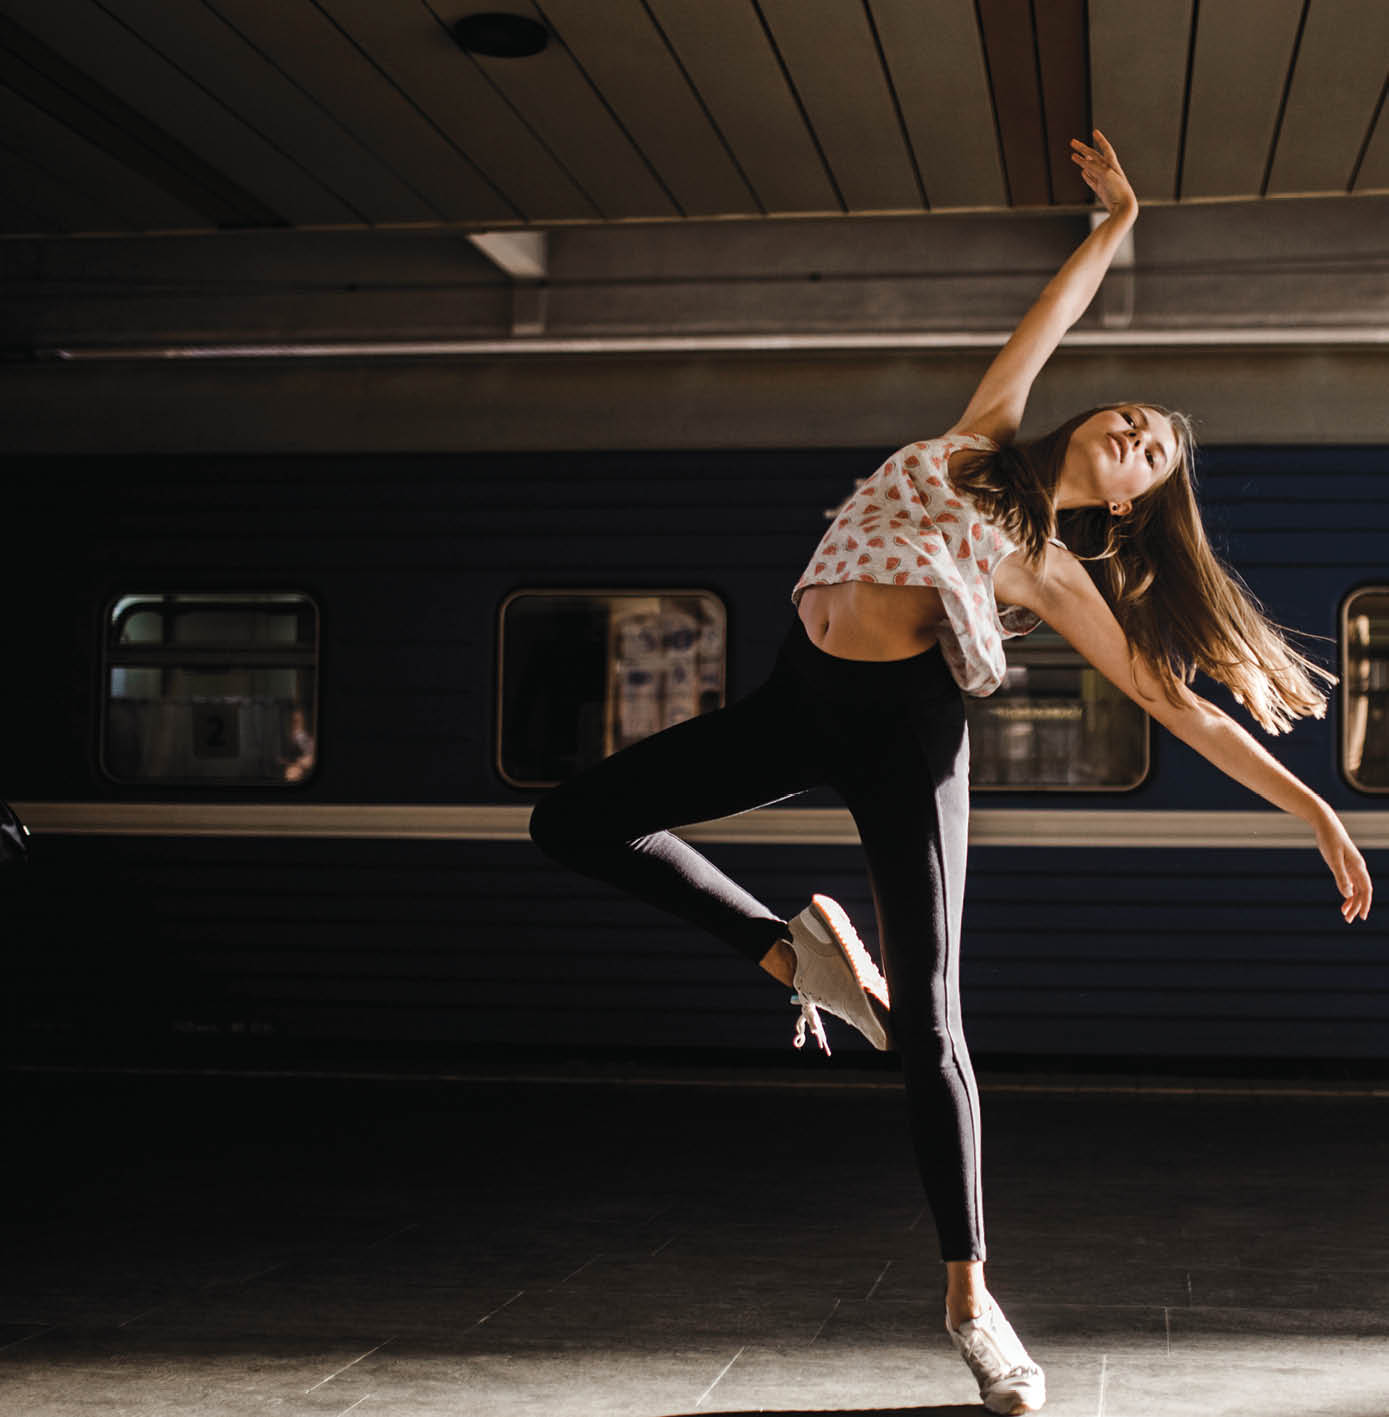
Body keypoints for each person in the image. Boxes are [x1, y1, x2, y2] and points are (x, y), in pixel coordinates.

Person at [527, 131, 1373, 1416]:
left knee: (929, 1017)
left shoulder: (1051, 565)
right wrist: (1115, 225)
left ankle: (975, 1306)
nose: (1140, 431)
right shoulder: (982, 432)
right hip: (798, 698)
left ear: (1131, 508)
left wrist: (1315, 807)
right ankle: (789, 953)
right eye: (1139, 418)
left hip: (904, 736)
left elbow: (1174, 706)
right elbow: (1052, 312)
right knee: (573, 820)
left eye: (1154, 456)